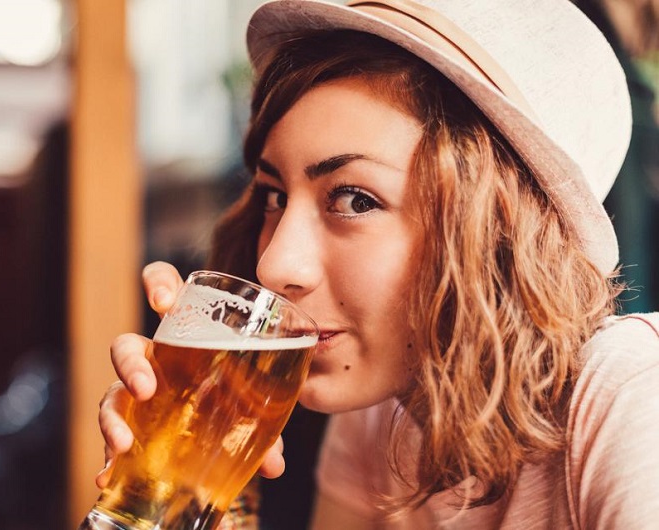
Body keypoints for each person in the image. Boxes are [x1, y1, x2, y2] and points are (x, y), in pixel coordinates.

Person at [96, 0, 659, 528]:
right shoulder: (382, 413)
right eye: (274, 195)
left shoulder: (631, 397)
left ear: (500, 232)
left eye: (355, 200)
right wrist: (195, 495)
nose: (273, 265)